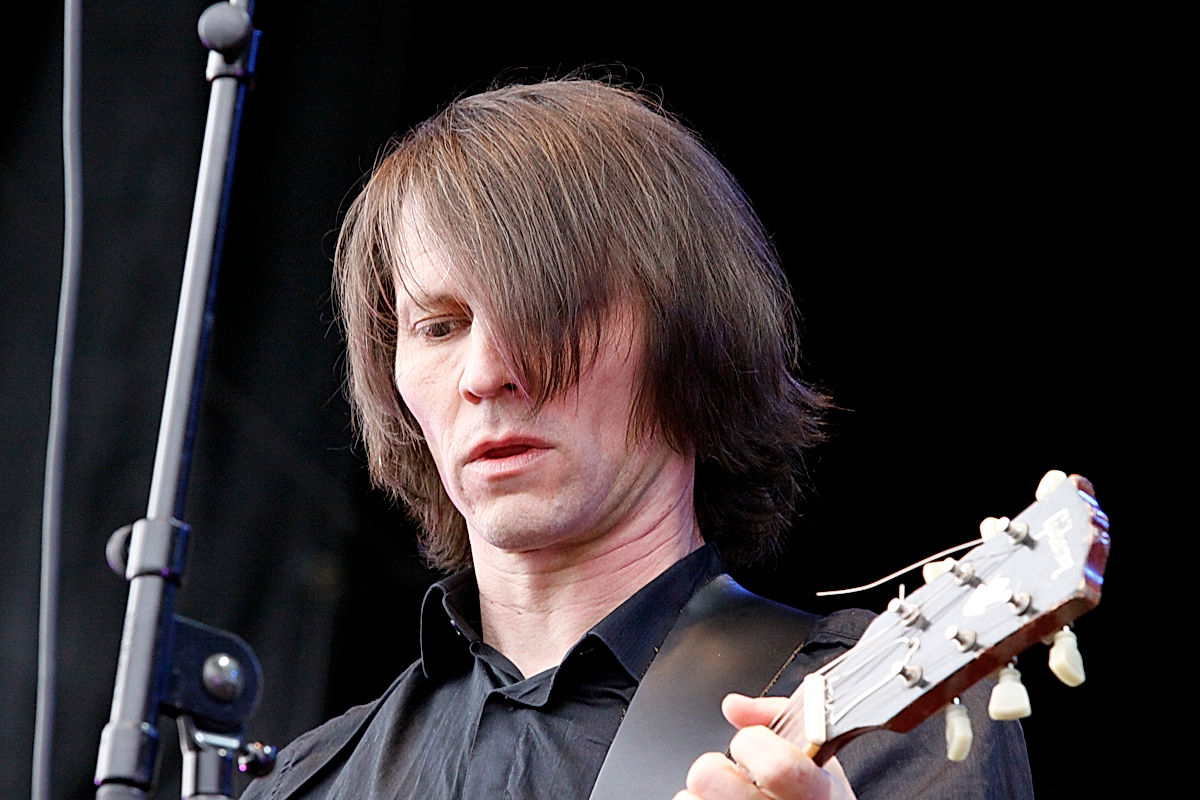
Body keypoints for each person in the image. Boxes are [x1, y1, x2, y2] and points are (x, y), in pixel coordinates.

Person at [240, 77, 1034, 800]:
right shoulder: (308, 785)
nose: (484, 373)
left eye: (543, 311)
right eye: (440, 326)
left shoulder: (887, 712)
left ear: (688, 333)